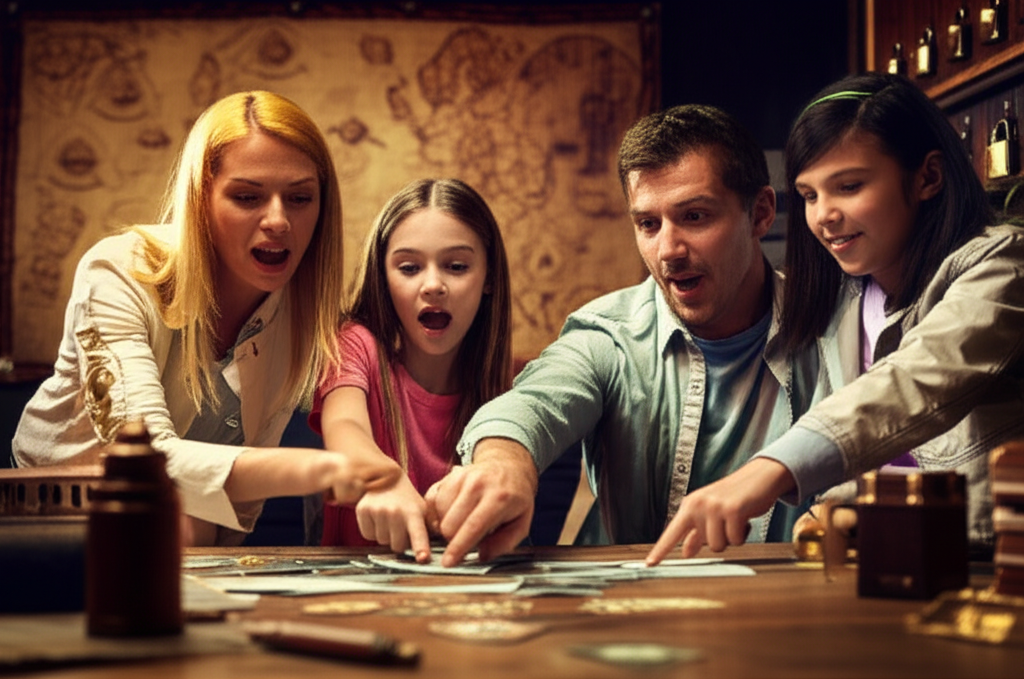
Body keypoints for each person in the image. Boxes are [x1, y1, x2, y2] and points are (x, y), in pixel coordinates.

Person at [425, 104, 828, 567]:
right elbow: (534, 402)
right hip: (619, 608)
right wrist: (502, 465)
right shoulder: (608, 334)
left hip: (775, 611)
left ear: (760, 213)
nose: (668, 250)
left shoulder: (829, 328)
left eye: (694, 216)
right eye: (648, 224)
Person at [648, 72, 1024, 564]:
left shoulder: (1003, 265)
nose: (824, 215)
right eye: (809, 195)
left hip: (990, 566)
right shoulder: (846, 295)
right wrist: (832, 506)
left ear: (927, 177)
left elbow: (914, 382)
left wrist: (769, 468)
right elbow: (887, 462)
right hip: (891, 565)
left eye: (848, 186)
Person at [13, 90, 400, 546]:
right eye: (247, 196)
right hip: (40, 514)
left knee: (190, 525)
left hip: (191, 524)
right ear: (201, 199)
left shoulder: (308, 316)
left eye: (299, 198)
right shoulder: (118, 270)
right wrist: (324, 467)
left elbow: (233, 509)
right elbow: (145, 456)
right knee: (179, 524)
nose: (278, 220)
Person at [308, 178, 512, 562]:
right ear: (383, 280)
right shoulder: (355, 344)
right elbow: (344, 427)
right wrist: (381, 478)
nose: (433, 285)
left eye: (456, 266)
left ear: (488, 279)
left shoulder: (500, 389)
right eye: (408, 267)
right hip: (355, 593)